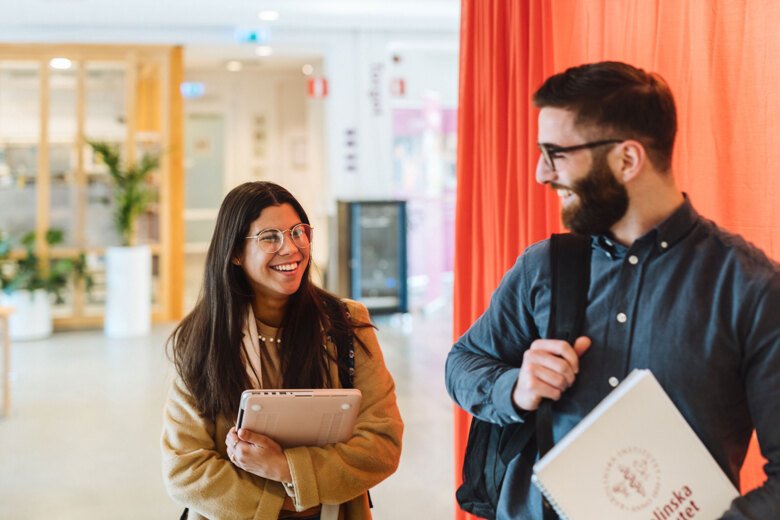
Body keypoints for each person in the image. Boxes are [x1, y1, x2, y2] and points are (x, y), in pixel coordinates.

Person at [445, 61, 780, 519]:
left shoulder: (751, 289)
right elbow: (462, 363)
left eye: (555, 153)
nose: (542, 174)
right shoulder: (541, 267)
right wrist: (516, 388)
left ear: (626, 160)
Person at [162, 181, 403, 520]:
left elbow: (382, 443)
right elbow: (185, 469)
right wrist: (287, 502)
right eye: (269, 237)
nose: (290, 248)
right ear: (234, 253)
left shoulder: (346, 324)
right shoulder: (200, 340)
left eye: (297, 232)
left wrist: (286, 468)